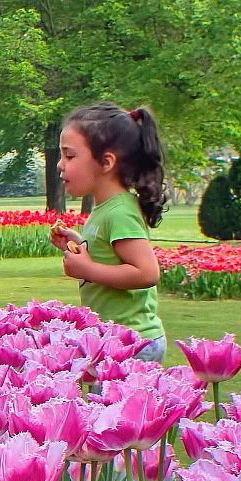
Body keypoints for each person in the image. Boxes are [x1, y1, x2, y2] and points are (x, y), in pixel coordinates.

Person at [47, 103, 167, 362]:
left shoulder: (119, 212)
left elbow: (146, 273)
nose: (60, 165)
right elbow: (111, 256)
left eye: (69, 156)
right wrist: (79, 244)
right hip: (115, 340)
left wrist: (86, 270)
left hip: (133, 343)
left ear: (106, 162)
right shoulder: (105, 209)